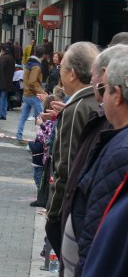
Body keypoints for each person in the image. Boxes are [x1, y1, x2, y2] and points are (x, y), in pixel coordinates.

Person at [60, 45, 128, 277]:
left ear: (117, 95)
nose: (100, 97)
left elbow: (96, 227)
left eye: (105, 89)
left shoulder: (121, 153)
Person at [45, 42, 100, 258]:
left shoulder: (76, 108)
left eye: (62, 68)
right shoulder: (95, 101)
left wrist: (53, 213)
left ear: (72, 74)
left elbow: (66, 168)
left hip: (71, 213)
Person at [16, 46, 47, 144]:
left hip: (26, 94)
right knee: (41, 119)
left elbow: (28, 81)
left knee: (23, 117)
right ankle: (40, 140)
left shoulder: (28, 63)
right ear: (43, 55)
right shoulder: (36, 66)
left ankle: (18, 138)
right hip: (33, 95)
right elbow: (33, 82)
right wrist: (42, 92)